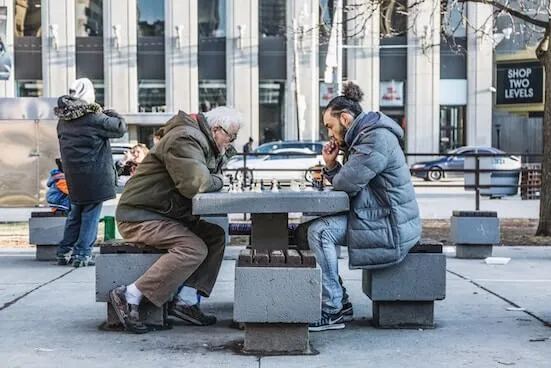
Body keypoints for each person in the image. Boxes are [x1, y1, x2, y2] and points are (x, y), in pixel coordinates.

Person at [295, 82, 421, 332]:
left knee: (320, 232)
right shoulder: (365, 136)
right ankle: (340, 302)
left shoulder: (375, 138)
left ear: (345, 118)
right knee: (307, 230)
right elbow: (350, 182)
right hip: (380, 215)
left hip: (389, 223)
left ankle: (333, 309)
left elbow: (347, 184)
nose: (330, 133)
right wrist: (334, 163)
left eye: (330, 126)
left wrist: (331, 166)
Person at [109, 106, 243, 334]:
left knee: (215, 237)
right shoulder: (185, 138)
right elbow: (196, 184)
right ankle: (129, 294)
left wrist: (221, 157)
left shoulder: (200, 140)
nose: (232, 142)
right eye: (232, 137)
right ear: (216, 128)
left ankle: (186, 300)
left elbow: (204, 175)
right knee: (193, 248)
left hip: (163, 213)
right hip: (139, 216)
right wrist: (219, 180)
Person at [55, 78, 127, 268]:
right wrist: (110, 112)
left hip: (74, 176)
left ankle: (64, 251)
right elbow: (120, 127)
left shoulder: (63, 121)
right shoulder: (95, 118)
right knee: (90, 216)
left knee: (75, 214)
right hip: (95, 177)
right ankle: (82, 254)